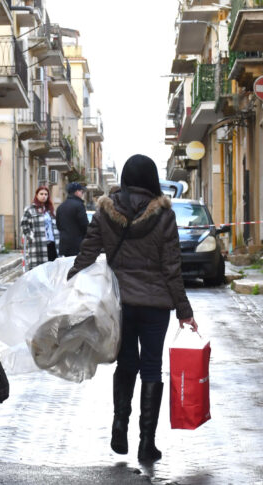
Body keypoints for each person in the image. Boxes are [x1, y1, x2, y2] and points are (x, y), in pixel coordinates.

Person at [67, 154, 197, 463]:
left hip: (120, 305)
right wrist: (184, 310)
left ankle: (119, 425)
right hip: (155, 306)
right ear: (152, 179)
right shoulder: (164, 215)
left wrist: (68, 283)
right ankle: (146, 443)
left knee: (126, 364)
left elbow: (87, 254)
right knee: (151, 367)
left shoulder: (105, 212)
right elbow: (171, 267)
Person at [19, 185, 59, 270]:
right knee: (39, 270)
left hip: (52, 244)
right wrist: (31, 237)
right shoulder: (30, 209)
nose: (44, 196)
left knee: (52, 270)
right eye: (41, 194)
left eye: (46, 194)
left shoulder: (50, 209)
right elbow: (24, 224)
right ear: (37, 195)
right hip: (38, 244)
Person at [56, 182, 89, 257]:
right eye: (82, 192)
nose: (82, 194)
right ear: (77, 192)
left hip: (64, 245)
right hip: (77, 244)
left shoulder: (60, 207)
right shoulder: (79, 205)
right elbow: (84, 225)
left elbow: (58, 226)